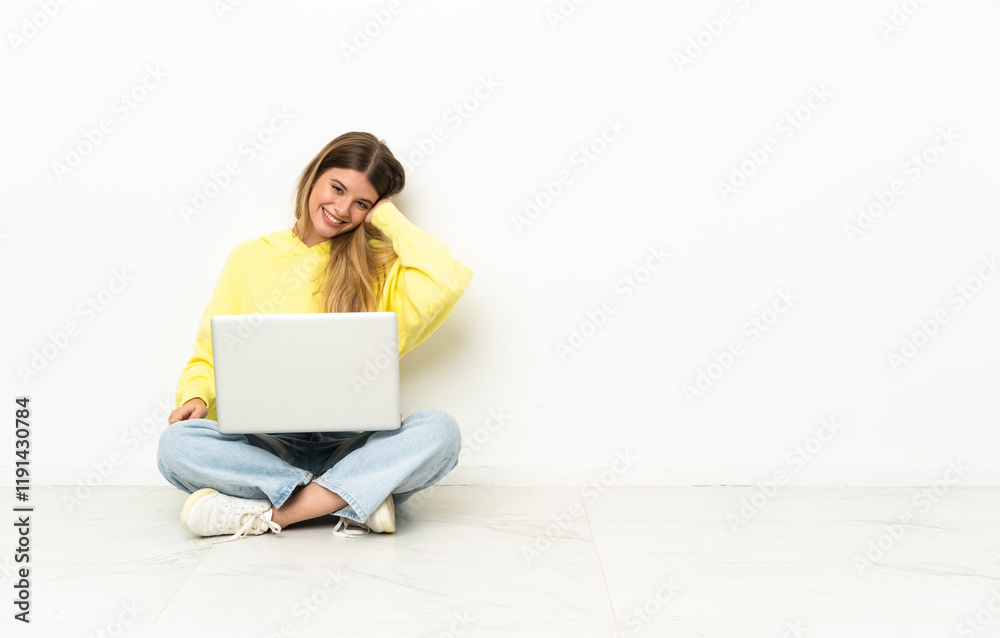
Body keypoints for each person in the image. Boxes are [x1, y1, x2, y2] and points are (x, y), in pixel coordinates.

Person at [156, 132, 473, 543]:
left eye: (362, 203)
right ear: (313, 177)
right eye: (337, 188)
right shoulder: (251, 257)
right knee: (176, 446)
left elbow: (444, 280)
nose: (342, 209)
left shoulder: (380, 266)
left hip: (354, 445)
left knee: (440, 432)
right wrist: (195, 395)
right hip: (267, 445)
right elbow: (211, 352)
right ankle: (353, 497)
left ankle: (278, 512)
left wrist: (388, 218)